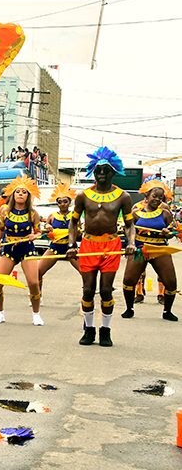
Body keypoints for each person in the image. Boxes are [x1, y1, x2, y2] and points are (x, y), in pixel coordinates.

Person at [67, 147, 135, 347]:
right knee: (88, 290)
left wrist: (130, 243)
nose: (102, 174)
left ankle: (106, 330)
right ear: (93, 172)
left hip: (111, 246)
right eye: (98, 170)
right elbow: (73, 223)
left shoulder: (123, 197)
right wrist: (72, 245)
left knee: (106, 290)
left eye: (106, 170)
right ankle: (88, 329)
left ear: (113, 172)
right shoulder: (83, 196)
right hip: (89, 245)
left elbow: (130, 225)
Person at [0, 176, 43, 326]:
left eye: (24, 192)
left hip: (27, 249)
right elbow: (0, 229)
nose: (20, 194)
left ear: (28, 196)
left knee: (33, 282)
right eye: (17, 191)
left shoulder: (33, 213)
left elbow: (39, 232)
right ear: (13, 194)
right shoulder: (5, 211)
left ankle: (36, 314)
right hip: (8, 249)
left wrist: (35, 235)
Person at [121, 180, 178, 321]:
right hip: (140, 249)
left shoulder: (165, 214)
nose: (157, 199)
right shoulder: (136, 213)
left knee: (171, 282)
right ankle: (129, 308)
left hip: (160, 249)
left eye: (160, 197)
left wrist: (168, 232)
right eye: (155, 196)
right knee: (129, 280)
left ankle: (167, 311)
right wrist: (131, 243)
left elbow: (173, 230)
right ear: (147, 196)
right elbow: (128, 229)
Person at [37, 183, 79, 286]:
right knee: (37, 272)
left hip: (71, 248)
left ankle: (87, 297)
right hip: (55, 248)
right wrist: (48, 227)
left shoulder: (74, 215)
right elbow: (46, 227)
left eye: (65, 201)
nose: (62, 204)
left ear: (69, 202)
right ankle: (37, 297)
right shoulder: (52, 216)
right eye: (60, 202)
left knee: (86, 273)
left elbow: (78, 233)